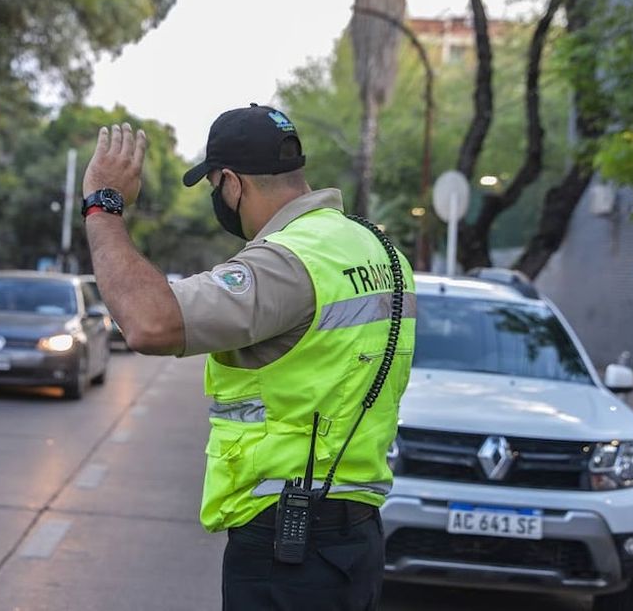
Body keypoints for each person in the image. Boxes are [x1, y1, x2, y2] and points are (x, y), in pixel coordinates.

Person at [80, 104, 416, 610]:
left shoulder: (290, 261)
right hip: (357, 539)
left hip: (290, 547)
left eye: (215, 186)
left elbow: (149, 322)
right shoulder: (377, 250)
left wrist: (103, 208)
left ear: (232, 183)